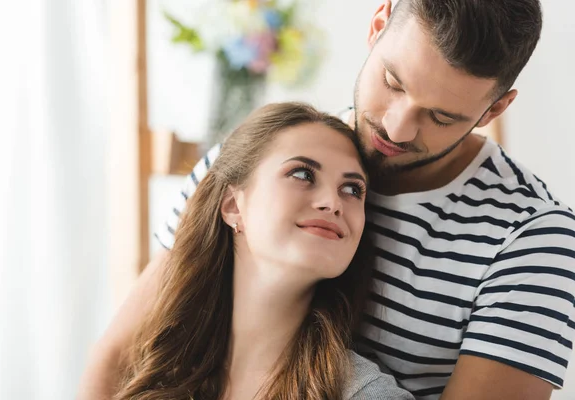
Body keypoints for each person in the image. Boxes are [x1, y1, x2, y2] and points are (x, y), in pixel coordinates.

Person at [78, 1, 575, 399]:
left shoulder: (534, 239)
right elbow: (121, 358)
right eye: (392, 82)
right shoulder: (248, 161)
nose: (397, 128)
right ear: (378, 23)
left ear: (495, 108)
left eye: (441, 117)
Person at [111, 102, 414, 400]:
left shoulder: (366, 394)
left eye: (352, 190)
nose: (332, 203)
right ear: (232, 206)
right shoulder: (157, 366)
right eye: (303, 174)